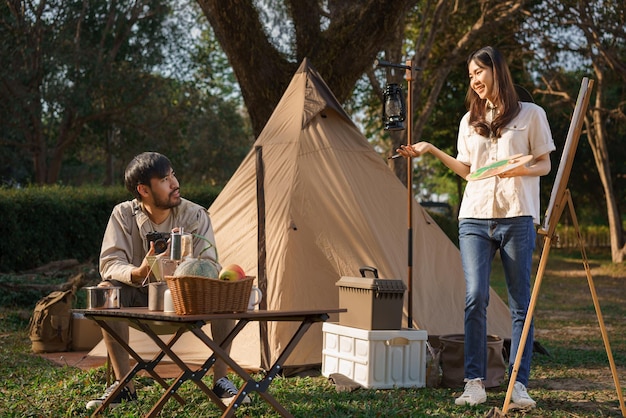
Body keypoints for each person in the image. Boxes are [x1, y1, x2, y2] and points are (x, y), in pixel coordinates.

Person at [397, 46, 555, 408]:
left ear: (496, 71)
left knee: (520, 303)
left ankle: (517, 384)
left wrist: (520, 170)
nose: (474, 81)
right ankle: (474, 382)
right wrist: (432, 149)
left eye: (477, 72)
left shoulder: (532, 114)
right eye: (470, 75)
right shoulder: (470, 120)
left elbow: (544, 164)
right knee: (475, 298)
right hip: (474, 216)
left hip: (516, 214)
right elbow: (469, 171)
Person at [86, 152, 250, 409]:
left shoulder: (195, 215)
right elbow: (109, 263)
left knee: (223, 291)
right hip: (138, 299)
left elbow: (210, 262)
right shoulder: (123, 215)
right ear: (143, 190)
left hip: (186, 300)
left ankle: (221, 381)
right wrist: (139, 272)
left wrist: (183, 264)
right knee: (106, 291)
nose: (175, 183)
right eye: (164, 179)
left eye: (172, 174)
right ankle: (123, 387)